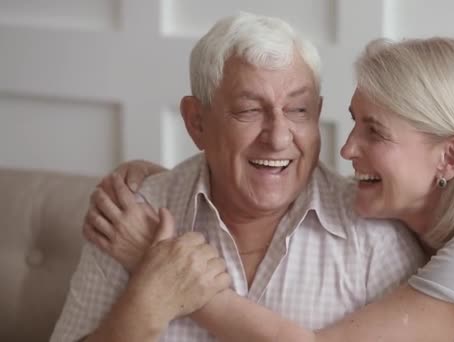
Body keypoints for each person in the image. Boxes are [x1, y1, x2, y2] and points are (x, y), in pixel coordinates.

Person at [87, 37, 454, 341]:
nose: (347, 148)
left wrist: (160, 265)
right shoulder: (440, 220)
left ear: (449, 157)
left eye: (374, 132)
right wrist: (171, 179)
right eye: (353, 121)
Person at [50, 12, 425, 342]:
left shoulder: (374, 235)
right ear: (197, 122)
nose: (278, 138)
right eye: (248, 111)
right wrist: (147, 302)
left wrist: (157, 264)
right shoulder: (129, 217)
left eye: (298, 110)